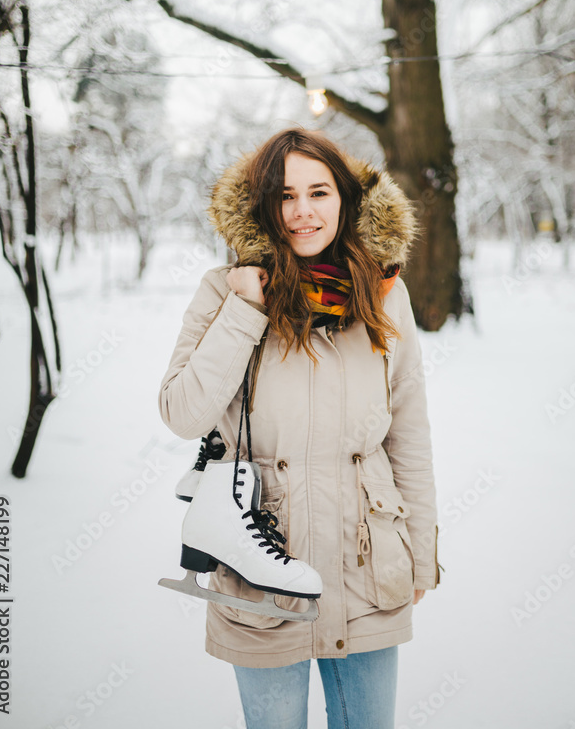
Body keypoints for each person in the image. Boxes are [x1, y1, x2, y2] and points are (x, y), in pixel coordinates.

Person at [158, 127, 441, 729]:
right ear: (264, 205)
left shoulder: (385, 294)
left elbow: (408, 432)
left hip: (368, 563)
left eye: (319, 191)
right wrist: (244, 308)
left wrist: (421, 554)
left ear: (346, 199)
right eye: (286, 196)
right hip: (262, 565)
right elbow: (182, 412)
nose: (303, 211)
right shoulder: (223, 289)